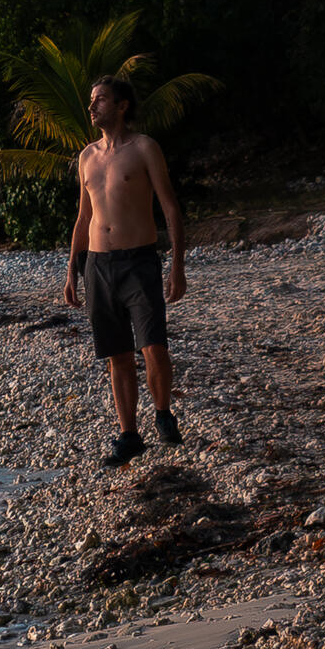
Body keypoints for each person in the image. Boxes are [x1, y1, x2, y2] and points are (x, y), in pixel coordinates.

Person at [60, 74, 186, 467]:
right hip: (97, 264)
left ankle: (162, 412)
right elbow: (83, 218)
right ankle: (129, 434)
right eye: (91, 101)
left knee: (154, 346)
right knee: (117, 355)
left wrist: (177, 266)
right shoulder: (86, 157)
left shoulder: (144, 148)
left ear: (122, 105)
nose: (92, 107)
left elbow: (170, 209)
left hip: (139, 261)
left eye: (100, 100)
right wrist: (71, 271)